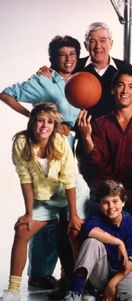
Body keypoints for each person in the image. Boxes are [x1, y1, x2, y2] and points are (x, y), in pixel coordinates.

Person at [0, 35, 89, 292]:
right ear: (53, 58)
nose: (69, 59)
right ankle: (39, 274)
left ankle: (75, 278)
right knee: (47, 222)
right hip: (51, 153)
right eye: (63, 54)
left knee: (75, 217)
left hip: (76, 153)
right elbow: (6, 94)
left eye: (73, 54)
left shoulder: (82, 80)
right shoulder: (44, 80)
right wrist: (36, 117)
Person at [0, 102, 87, 301]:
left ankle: (80, 288)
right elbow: (25, 179)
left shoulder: (59, 142)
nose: (44, 126)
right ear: (32, 122)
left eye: (49, 122)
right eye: (40, 120)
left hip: (72, 193)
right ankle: (13, 290)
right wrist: (29, 213)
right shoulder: (21, 142)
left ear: (54, 125)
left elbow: (69, 179)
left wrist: (73, 214)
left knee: (74, 231)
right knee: (22, 229)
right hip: (45, 197)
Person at [77, 67, 132, 246]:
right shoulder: (99, 124)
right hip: (107, 197)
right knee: (87, 229)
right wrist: (86, 138)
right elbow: (96, 166)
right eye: (121, 85)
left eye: (131, 87)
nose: (125, 91)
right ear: (112, 89)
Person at [64, 179, 132, 301]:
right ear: (99, 205)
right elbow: (89, 230)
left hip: (123, 272)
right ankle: (75, 292)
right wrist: (118, 242)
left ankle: (108, 293)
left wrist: (113, 283)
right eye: (106, 203)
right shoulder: (97, 218)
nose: (111, 207)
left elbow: (131, 261)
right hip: (100, 272)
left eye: (115, 201)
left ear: (123, 202)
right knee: (91, 242)